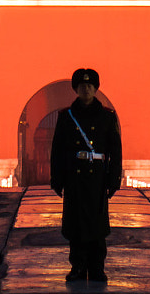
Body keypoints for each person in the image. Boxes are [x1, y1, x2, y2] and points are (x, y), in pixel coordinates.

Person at [49, 67, 122, 282]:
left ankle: (97, 267)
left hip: (97, 177)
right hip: (75, 177)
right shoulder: (67, 117)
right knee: (76, 224)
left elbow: (115, 151)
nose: (86, 90)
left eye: (90, 86)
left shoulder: (107, 117)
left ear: (96, 89)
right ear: (76, 89)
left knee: (98, 224)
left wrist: (114, 178)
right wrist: (57, 179)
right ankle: (78, 266)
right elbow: (57, 150)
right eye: (82, 86)